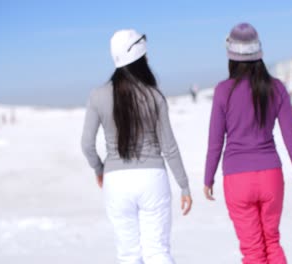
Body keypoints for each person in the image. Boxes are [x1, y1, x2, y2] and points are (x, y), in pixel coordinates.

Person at [81, 29, 192, 264]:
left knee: (128, 255)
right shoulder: (154, 96)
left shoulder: (97, 96)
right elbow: (169, 147)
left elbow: (86, 144)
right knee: (158, 252)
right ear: (140, 58)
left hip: (116, 182)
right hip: (153, 179)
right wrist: (184, 185)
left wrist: (99, 169)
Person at [203, 23, 292, 264]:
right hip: (271, 175)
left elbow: (215, 141)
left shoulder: (223, 91)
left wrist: (208, 177)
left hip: (237, 178)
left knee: (253, 251)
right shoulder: (276, 88)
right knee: (271, 243)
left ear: (231, 55)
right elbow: (291, 139)